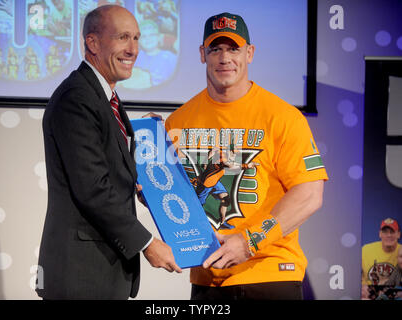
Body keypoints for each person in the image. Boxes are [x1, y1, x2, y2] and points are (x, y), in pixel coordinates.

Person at [165, 12, 328, 300]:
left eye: (233, 48)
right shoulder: (177, 121)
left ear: (250, 53)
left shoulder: (283, 117)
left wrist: (250, 241)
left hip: (270, 274)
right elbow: (174, 193)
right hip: (206, 277)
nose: (224, 58)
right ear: (203, 54)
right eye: (215, 49)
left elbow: (310, 193)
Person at [36, 5, 181, 300]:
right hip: (81, 276)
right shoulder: (77, 98)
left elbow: (111, 170)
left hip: (101, 272)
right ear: (93, 43)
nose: (133, 49)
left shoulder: (104, 96)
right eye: (123, 37)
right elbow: (93, 189)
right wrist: (147, 243)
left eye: (137, 38)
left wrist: (148, 159)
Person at [361, 218, 401, 299]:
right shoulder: (366, 250)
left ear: (398, 234)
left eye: (392, 232)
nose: (389, 235)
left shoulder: (401, 251)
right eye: (385, 232)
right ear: (380, 234)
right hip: (369, 293)